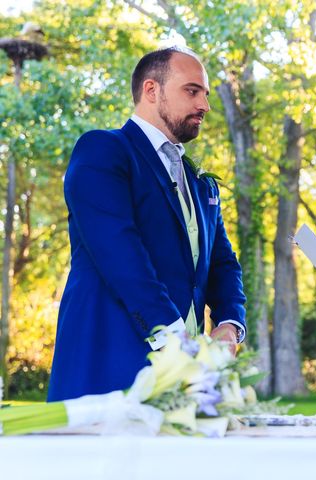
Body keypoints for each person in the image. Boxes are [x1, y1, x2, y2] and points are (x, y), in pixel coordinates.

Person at [48, 46, 246, 402]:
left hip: (187, 382)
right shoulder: (103, 150)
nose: (205, 105)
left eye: (205, 93)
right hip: (108, 364)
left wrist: (230, 326)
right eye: (192, 91)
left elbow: (222, 264)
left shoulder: (200, 183)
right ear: (151, 90)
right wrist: (176, 342)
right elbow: (120, 254)